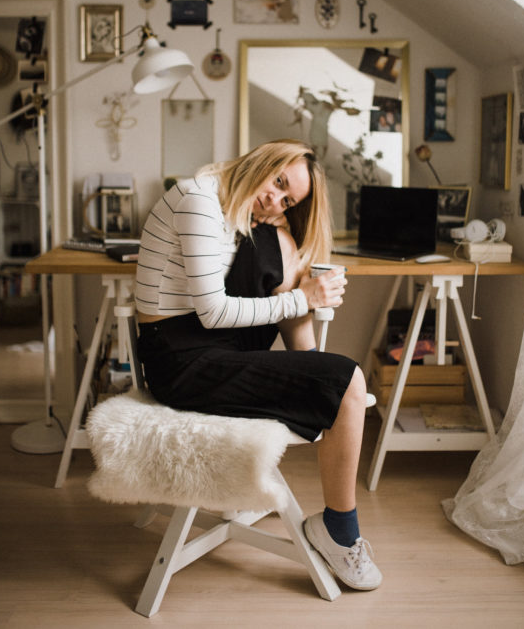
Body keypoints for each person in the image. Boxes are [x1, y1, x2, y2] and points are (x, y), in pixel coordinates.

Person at [135, 139, 382, 590]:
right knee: (348, 378)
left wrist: (295, 275)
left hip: (213, 344)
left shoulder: (230, 209)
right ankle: (338, 532)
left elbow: (231, 308)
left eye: (287, 199)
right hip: (180, 359)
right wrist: (302, 297)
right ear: (264, 159)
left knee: (281, 243)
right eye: (279, 182)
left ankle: (317, 375)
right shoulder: (197, 199)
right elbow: (213, 312)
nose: (275, 198)